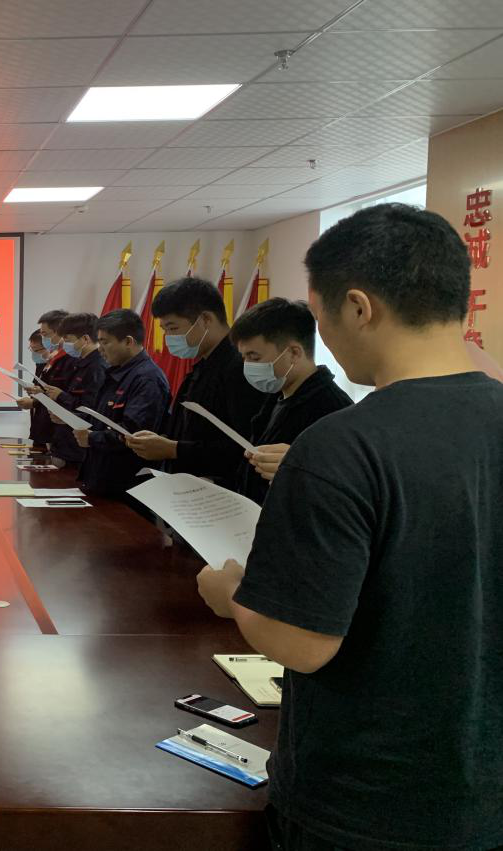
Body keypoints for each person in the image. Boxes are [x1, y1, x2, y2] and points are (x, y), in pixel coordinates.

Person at [196, 204, 503, 850]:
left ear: (358, 307)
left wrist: (230, 596)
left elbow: (301, 643)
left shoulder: (342, 445)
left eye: (322, 318)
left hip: (368, 805)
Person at [126, 276, 264, 491]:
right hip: (189, 488)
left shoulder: (240, 366)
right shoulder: (203, 364)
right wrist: (162, 440)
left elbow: (245, 447)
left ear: (205, 319)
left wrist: (174, 449)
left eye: (173, 328)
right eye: (164, 330)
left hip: (220, 493)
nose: (168, 338)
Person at [228, 297, 352, 504]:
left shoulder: (334, 410)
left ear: (294, 353)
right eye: (244, 358)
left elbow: (337, 493)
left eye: (254, 357)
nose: (247, 366)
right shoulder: (275, 395)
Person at [75, 308, 170, 498]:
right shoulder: (117, 373)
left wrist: (92, 438)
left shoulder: (146, 378)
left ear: (128, 341)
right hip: (102, 478)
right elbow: (103, 418)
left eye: (105, 342)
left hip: (127, 486)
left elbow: (133, 433)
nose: (100, 349)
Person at [35, 312, 105, 469]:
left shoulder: (97, 367)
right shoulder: (81, 363)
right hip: (65, 443)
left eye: (67, 340)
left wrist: (61, 397)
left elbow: (92, 409)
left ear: (85, 339)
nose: (65, 344)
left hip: (79, 448)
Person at [23, 309, 78, 452]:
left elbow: (70, 396)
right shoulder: (53, 358)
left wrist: (39, 396)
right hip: (46, 427)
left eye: (44, 334)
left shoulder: (72, 358)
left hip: (63, 431)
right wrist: (38, 393)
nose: (43, 338)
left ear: (58, 331)